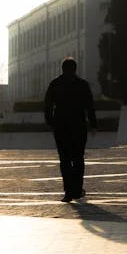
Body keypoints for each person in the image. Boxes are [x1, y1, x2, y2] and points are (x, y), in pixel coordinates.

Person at [44, 57, 97, 203]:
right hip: (78, 126)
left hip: (61, 126)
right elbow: (89, 106)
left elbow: (48, 105)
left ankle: (68, 192)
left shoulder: (55, 84)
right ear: (75, 69)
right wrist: (93, 124)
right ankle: (77, 190)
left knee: (65, 160)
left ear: (62, 69)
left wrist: (50, 122)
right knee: (78, 159)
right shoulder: (82, 85)